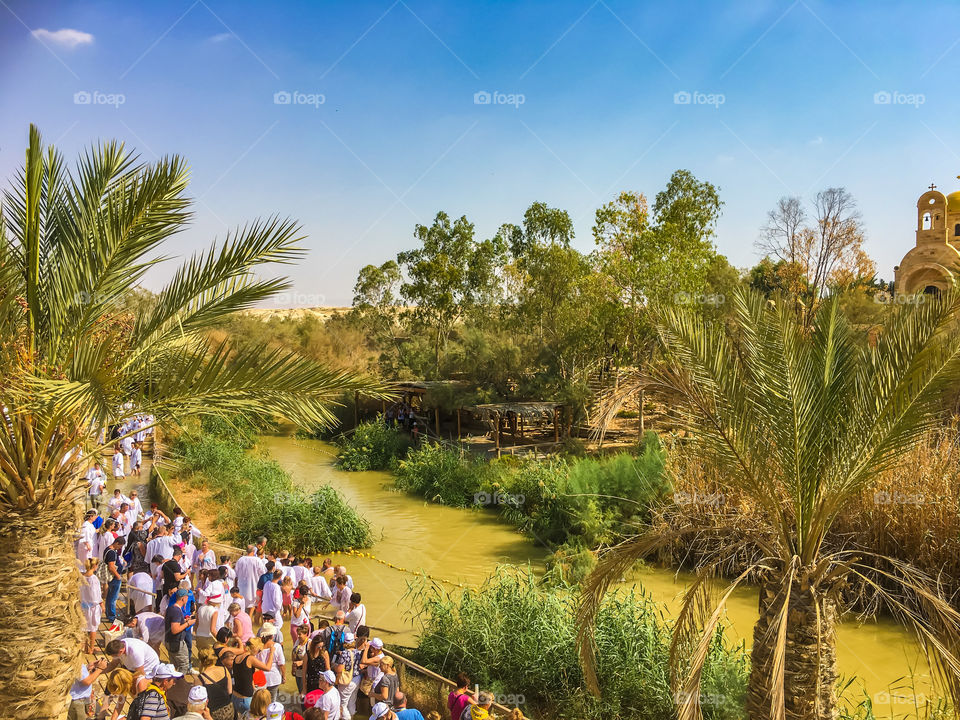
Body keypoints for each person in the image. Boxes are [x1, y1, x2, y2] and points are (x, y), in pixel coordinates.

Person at [231, 637, 276, 718]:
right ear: (255, 648)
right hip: (245, 699)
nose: (258, 653)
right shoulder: (250, 659)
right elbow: (268, 668)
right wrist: (271, 652)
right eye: (259, 650)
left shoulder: (237, 657)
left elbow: (245, 674)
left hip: (234, 697)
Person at [196, 647, 234, 720]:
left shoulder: (200, 679)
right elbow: (230, 692)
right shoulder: (224, 669)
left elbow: (199, 700)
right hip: (228, 708)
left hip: (213, 712)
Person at [165, 588, 196, 673]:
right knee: (184, 665)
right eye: (187, 597)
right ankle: (179, 680)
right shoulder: (177, 611)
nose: (188, 599)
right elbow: (175, 630)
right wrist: (188, 623)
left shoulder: (171, 608)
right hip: (176, 642)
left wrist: (184, 621)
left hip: (170, 641)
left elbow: (173, 623)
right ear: (183, 598)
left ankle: (174, 680)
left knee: (174, 665)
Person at [257, 623, 286, 701]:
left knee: (262, 701)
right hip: (273, 678)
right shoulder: (277, 646)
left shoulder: (258, 647)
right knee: (272, 701)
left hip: (261, 678)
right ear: (272, 636)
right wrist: (284, 676)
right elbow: (281, 664)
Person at [80, 558, 103, 654]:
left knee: (84, 628)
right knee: (93, 628)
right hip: (93, 607)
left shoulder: (82, 577)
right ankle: (91, 648)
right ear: (94, 566)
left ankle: (85, 647)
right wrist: (101, 604)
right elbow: (96, 595)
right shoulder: (94, 579)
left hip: (83, 605)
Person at [104, 535, 128, 623]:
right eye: (120, 546)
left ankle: (109, 614)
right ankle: (112, 617)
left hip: (112, 577)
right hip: (114, 577)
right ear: (117, 543)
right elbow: (111, 566)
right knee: (113, 598)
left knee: (110, 597)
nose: (120, 548)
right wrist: (118, 576)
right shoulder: (111, 552)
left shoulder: (108, 549)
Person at [292, 623, 311, 695]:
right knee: (301, 693)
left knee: (306, 694)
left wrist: (302, 662)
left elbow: (312, 659)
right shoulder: (297, 641)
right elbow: (294, 654)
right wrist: (293, 668)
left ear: (306, 634)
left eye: (300, 634)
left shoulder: (309, 643)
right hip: (298, 672)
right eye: (297, 634)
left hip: (306, 673)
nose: (298, 636)